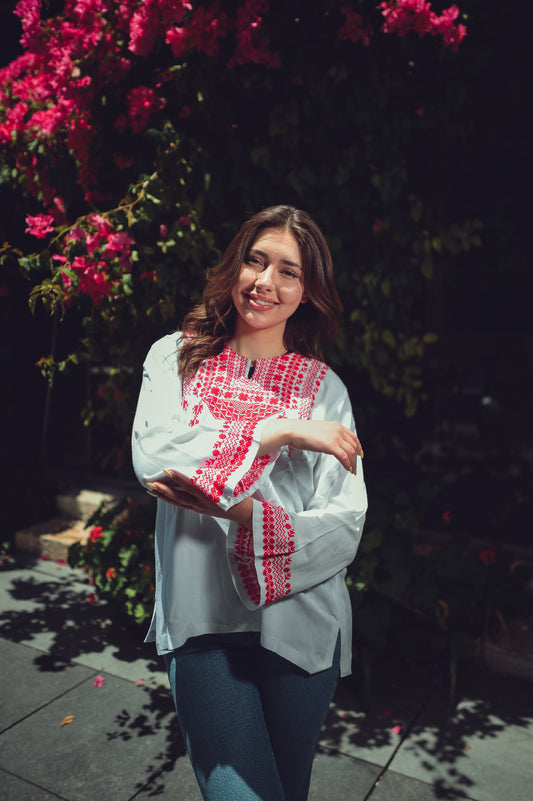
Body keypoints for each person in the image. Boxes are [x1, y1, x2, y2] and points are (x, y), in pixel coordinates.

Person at [131, 205, 367, 801]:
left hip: (301, 627)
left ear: (308, 291)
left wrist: (234, 511)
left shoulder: (326, 388)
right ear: (234, 265)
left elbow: (343, 524)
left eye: (288, 271)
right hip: (202, 621)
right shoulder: (175, 357)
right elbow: (157, 461)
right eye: (255, 261)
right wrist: (279, 431)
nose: (266, 282)